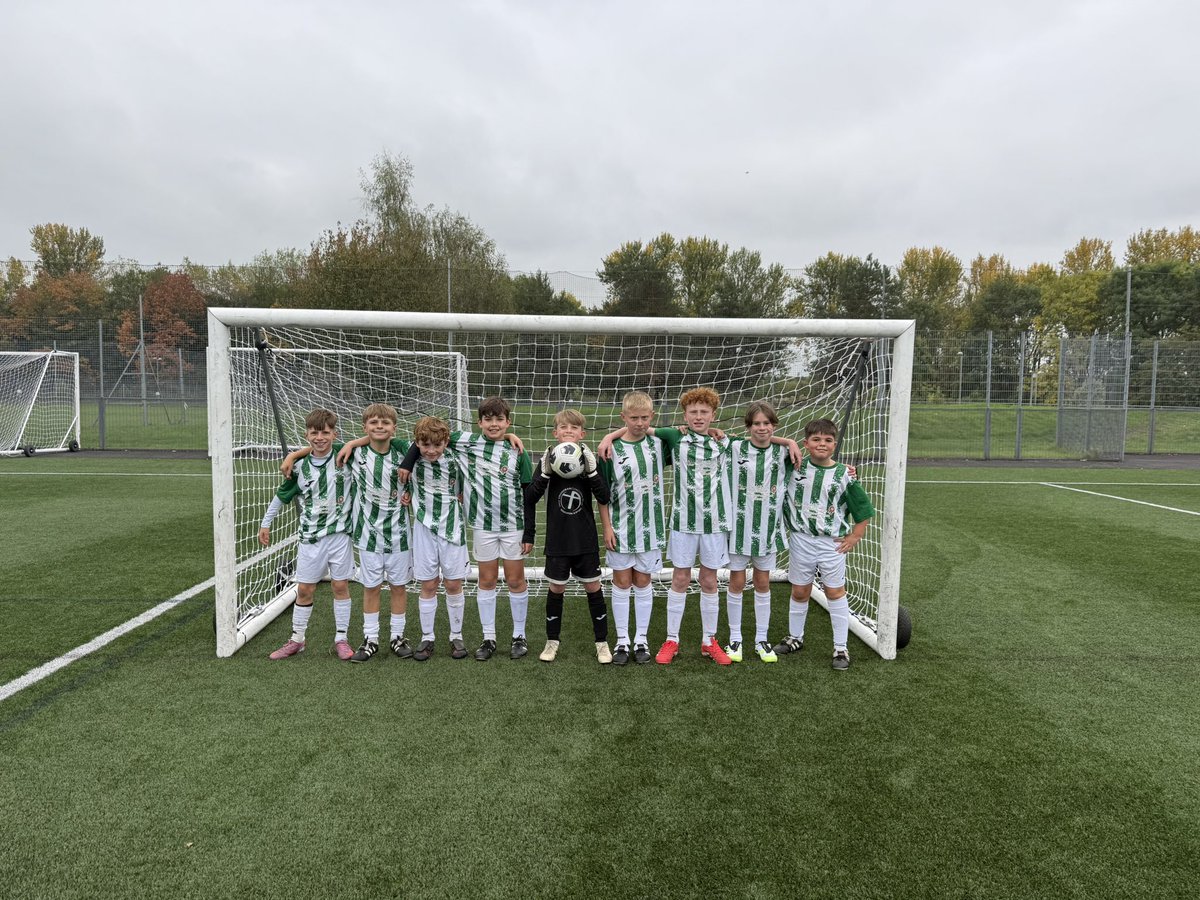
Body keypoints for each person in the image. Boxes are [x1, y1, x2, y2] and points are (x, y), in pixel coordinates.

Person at [600, 387, 734, 666]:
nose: (698, 417)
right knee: (679, 579)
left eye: (704, 412)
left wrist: (791, 444)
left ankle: (710, 641)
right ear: (684, 416)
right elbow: (639, 430)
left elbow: (761, 441)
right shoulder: (673, 437)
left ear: (713, 415)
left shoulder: (724, 442)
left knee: (710, 581)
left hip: (714, 525)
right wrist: (608, 435)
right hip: (682, 524)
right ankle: (669, 639)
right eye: (693, 412)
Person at [398, 398, 533, 661]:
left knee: (513, 580)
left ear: (508, 422)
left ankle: (517, 636)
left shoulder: (515, 450)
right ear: (479, 422)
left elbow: (529, 490)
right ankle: (484, 638)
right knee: (479, 581)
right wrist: (406, 463)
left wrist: (530, 532)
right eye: (488, 419)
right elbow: (413, 440)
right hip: (474, 526)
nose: (494, 425)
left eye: (500, 420)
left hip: (507, 526)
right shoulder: (465, 442)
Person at [288, 403, 413, 662]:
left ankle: (397, 637)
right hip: (367, 536)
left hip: (400, 534)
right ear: (364, 427)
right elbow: (319, 448)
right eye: (374, 423)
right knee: (371, 587)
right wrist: (292, 457)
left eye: (385, 423)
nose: (379, 427)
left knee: (399, 587)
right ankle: (371, 639)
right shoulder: (355, 454)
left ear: (394, 428)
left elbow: (421, 448)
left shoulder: (403, 450)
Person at [773, 418, 874, 671]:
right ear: (805, 443)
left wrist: (855, 536)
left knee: (834, 592)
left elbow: (862, 509)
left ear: (834, 444)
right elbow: (761, 441)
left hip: (832, 544)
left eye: (828, 440)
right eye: (816, 439)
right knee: (799, 590)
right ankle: (795, 637)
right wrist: (787, 441)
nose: (822, 444)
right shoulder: (794, 465)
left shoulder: (843, 475)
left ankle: (841, 647)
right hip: (800, 540)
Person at [259, 408, 356, 661]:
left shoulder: (345, 456)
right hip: (310, 537)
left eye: (325, 432)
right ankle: (297, 640)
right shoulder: (300, 467)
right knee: (304, 589)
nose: (320, 437)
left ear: (335, 434)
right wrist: (265, 523)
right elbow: (281, 496)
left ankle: (341, 639)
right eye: (314, 433)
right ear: (307, 434)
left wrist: (292, 452)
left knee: (340, 585)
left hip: (340, 535)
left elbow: (373, 440)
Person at [523, 409, 612, 664]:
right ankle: (552, 642)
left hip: (584, 540)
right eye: (564, 428)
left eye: (574, 428)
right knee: (556, 588)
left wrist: (592, 472)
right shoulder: (549, 460)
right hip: (558, 540)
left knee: (594, 588)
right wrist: (546, 472)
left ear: (582, 434)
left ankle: (602, 642)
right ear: (555, 433)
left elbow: (604, 497)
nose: (569, 431)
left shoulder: (588, 460)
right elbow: (530, 498)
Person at [724, 402, 799, 663]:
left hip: (768, 531)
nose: (762, 428)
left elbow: (809, 467)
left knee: (762, 583)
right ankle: (735, 639)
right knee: (736, 582)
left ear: (774, 425)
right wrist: (789, 439)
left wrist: (789, 442)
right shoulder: (735, 448)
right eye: (756, 423)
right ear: (748, 427)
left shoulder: (783, 453)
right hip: (738, 530)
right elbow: (715, 437)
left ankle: (761, 640)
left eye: (767, 423)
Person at [597, 391, 667, 665]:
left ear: (652, 418)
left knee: (643, 581)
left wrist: (609, 433)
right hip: (621, 527)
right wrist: (607, 528)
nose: (639, 423)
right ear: (622, 417)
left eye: (644, 418)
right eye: (634, 418)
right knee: (621, 582)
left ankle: (642, 639)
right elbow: (603, 496)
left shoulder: (660, 444)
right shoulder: (608, 451)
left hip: (650, 528)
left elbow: (688, 430)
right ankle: (622, 640)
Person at [405, 416, 470, 662]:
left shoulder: (456, 459)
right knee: (429, 584)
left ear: (445, 442)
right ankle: (428, 637)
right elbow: (381, 440)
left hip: (453, 529)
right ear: (417, 444)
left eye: (437, 445)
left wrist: (510, 435)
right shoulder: (412, 459)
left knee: (453, 584)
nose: (431, 451)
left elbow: (483, 440)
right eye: (425, 445)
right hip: (423, 529)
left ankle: (456, 635)